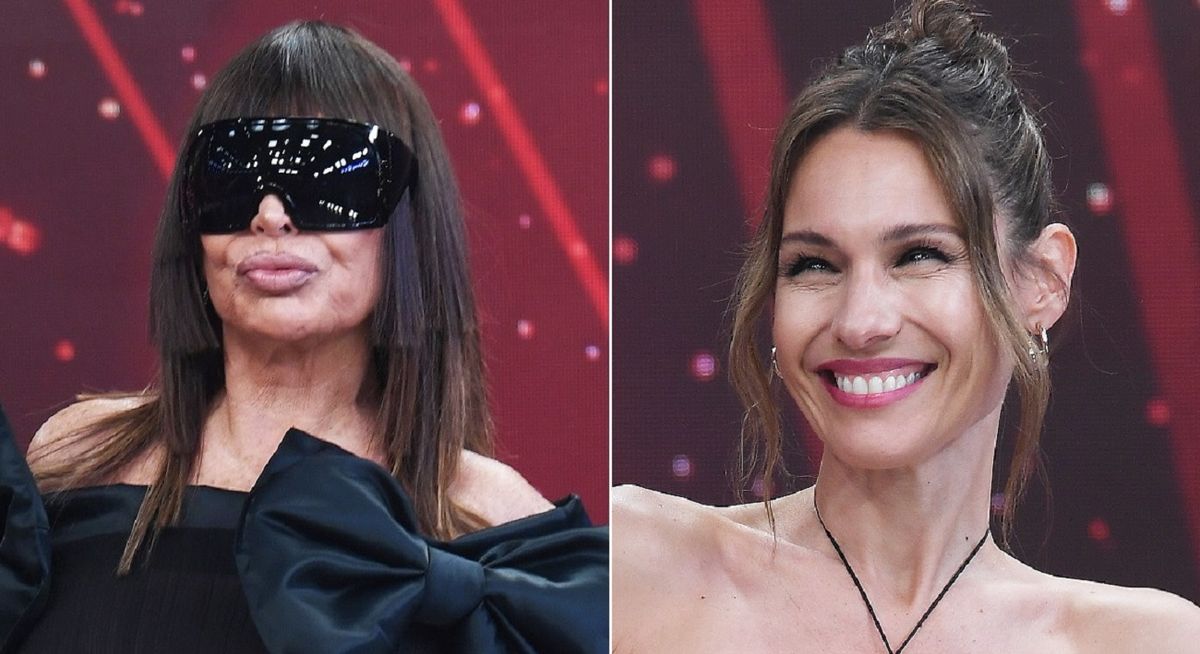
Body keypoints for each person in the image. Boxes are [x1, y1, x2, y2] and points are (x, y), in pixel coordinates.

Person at [0, 21, 606, 653]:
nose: (270, 215)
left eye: (325, 176)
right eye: (233, 175)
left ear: (408, 221)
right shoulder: (76, 461)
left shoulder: (503, 533)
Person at [613, 1, 1200, 652]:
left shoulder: (1150, 643)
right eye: (814, 265)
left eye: (920, 256)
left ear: (1041, 281)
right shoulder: (634, 570)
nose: (860, 321)